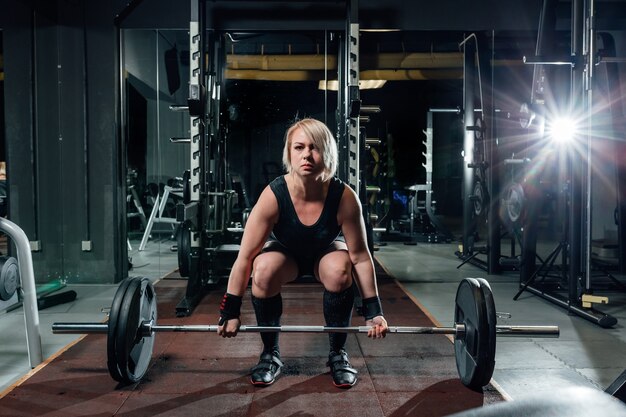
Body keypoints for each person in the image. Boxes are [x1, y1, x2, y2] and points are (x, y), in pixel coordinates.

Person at [217, 117, 388, 388]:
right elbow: (245, 257)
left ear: (327, 152)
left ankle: (337, 354)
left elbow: (361, 257)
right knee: (262, 270)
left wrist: (373, 312)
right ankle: (270, 354)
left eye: (315, 147)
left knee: (340, 269)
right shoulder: (274, 195)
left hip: (326, 250)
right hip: (286, 253)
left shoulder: (343, 196)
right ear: (289, 153)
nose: (306, 154)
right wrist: (230, 310)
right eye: (299, 147)